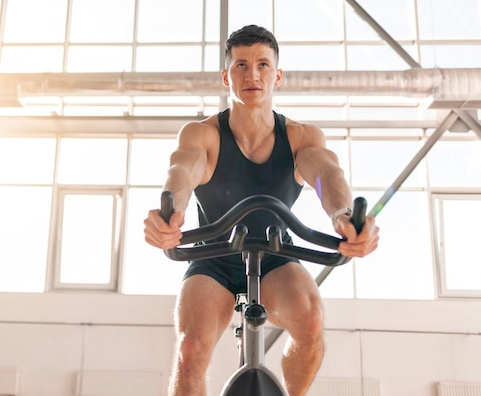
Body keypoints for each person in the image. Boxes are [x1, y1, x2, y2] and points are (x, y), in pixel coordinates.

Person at [144, 24, 380, 396]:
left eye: (262, 65)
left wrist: (344, 216)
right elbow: (183, 170)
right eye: (240, 65)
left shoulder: (302, 137)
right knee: (191, 348)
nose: (252, 75)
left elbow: (325, 174)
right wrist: (171, 213)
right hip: (213, 258)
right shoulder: (202, 134)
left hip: (275, 255)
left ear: (277, 75)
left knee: (311, 322)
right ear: (226, 76)